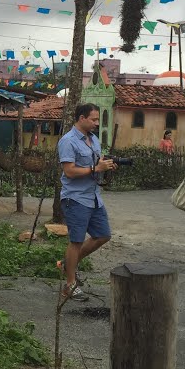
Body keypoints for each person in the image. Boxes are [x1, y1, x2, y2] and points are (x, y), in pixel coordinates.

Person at [57, 103, 116, 302]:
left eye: (97, 120)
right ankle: (70, 284)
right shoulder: (68, 141)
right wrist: (95, 169)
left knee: (103, 235)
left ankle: (68, 264)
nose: (96, 123)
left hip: (93, 197)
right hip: (75, 198)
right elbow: (69, 171)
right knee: (76, 241)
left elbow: (97, 164)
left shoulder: (94, 140)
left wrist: (106, 165)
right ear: (81, 118)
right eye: (93, 119)